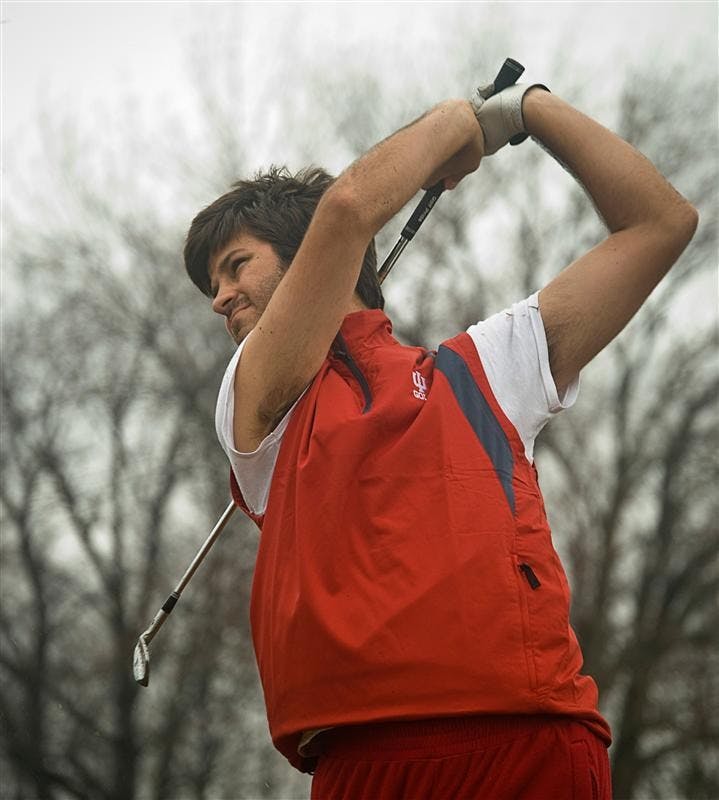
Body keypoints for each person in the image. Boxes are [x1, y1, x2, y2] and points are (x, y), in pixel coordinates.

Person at [183, 76, 697, 799]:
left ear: (302, 256)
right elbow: (350, 208)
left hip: (530, 742)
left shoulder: (481, 370)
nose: (219, 298)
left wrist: (528, 110)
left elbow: (659, 224)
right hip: (362, 764)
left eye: (236, 266)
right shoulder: (257, 400)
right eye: (214, 282)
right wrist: (463, 125)